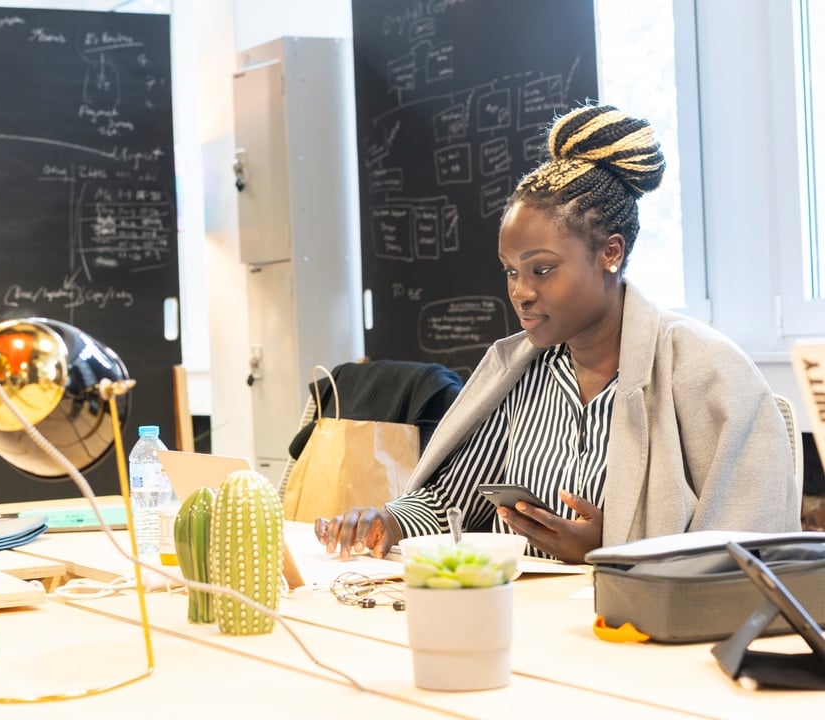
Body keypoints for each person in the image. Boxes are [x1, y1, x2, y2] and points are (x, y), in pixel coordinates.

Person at [315, 103, 801, 564]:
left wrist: (608, 549)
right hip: (526, 617)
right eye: (510, 272)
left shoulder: (707, 371)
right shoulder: (524, 372)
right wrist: (389, 522)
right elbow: (449, 500)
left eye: (542, 270)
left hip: (638, 631)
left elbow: (745, 552)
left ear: (610, 253)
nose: (521, 293)